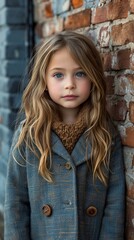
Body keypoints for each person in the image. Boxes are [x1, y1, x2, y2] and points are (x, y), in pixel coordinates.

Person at [4, 31, 125, 240]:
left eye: (80, 73)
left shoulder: (104, 133)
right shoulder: (29, 134)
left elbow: (114, 205)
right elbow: (16, 204)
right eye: (58, 75)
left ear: (93, 76)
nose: (70, 84)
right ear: (44, 79)